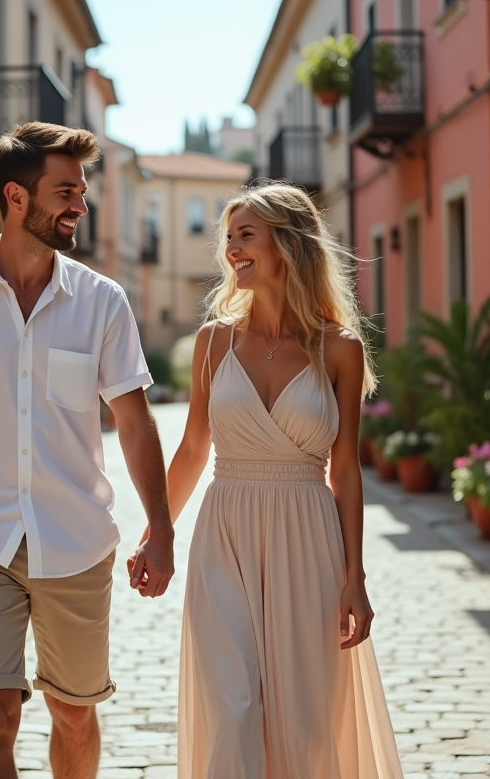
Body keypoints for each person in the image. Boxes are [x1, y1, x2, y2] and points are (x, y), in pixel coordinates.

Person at [0, 121, 174, 779]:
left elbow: (134, 422)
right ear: (17, 197)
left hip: (75, 540)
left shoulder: (102, 303)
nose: (80, 206)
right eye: (65, 192)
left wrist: (159, 527)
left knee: (72, 712)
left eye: (82, 191)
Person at [153, 182, 404, 778]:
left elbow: (346, 470)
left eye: (247, 235)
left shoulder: (339, 349)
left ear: (288, 245)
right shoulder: (213, 341)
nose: (232, 249)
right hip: (226, 536)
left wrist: (355, 578)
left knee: (305, 724)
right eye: (229, 237)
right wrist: (156, 532)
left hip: (307, 541)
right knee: (234, 710)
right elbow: (192, 449)